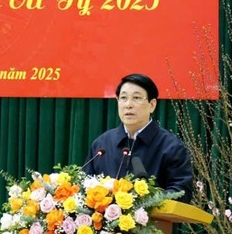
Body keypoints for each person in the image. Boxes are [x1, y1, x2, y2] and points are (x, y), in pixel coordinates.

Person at [83, 73, 193, 202]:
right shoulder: (102, 144)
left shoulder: (171, 147)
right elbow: (85, 184)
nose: (128, 104)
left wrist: (141, 202)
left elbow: (181, 192)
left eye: (136, 98)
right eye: (123, 98)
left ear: (152, 105)